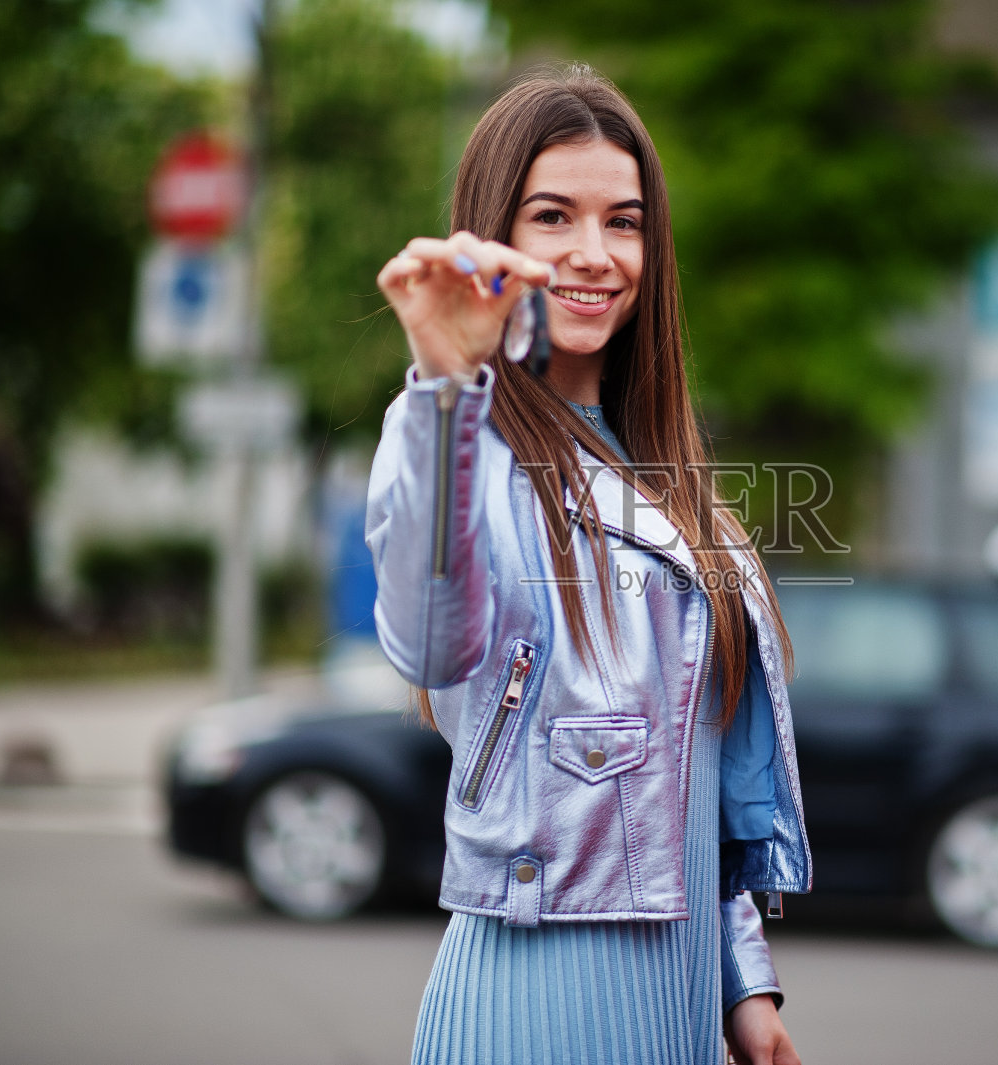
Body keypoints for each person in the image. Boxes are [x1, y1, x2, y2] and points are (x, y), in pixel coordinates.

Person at [368, 65, 810, 1065]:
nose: (593, 254)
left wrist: (742, 981)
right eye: (553, 216)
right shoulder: (466, 440)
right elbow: (430, 643)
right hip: (538, 993)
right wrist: (447, 387)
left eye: (625, 221)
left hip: (681, 1000)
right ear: (497, 234)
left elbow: (687, 765)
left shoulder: (661, 468)